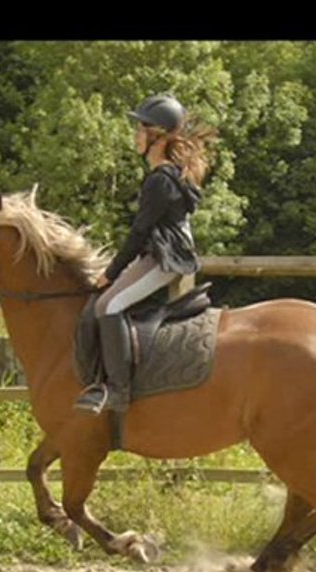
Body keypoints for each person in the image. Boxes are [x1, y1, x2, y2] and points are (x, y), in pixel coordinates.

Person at [74, 94, 216, 415]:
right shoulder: (163, 175)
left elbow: (138, 234)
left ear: (158, 136)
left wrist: (110, 273)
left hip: (166, 261)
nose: (135, 135)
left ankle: (118, 391)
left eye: (141, 128)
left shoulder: (160, 181)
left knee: (108, 306)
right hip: (158, 255)